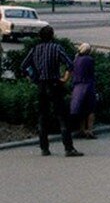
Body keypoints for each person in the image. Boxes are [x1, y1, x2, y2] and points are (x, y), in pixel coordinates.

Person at [21, 26, 82, 157]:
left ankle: (44, 148)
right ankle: (68, 148)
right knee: (62, 116)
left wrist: (33, 78)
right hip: (54, 83)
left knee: (43, 117)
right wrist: (65, 78)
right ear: (52, 35)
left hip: (41, 85)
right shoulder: (56, 48)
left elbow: (24, 66)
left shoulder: (35, 49)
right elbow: (70, 64)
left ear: (40, 37)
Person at [70, 42, 97, 140]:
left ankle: (81, 129)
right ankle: (89, 130)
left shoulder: (76, 59)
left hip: (77, 85)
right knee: (90, 109)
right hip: (88, 85)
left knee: (81, 108)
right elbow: (92, 72)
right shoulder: (89, 60)